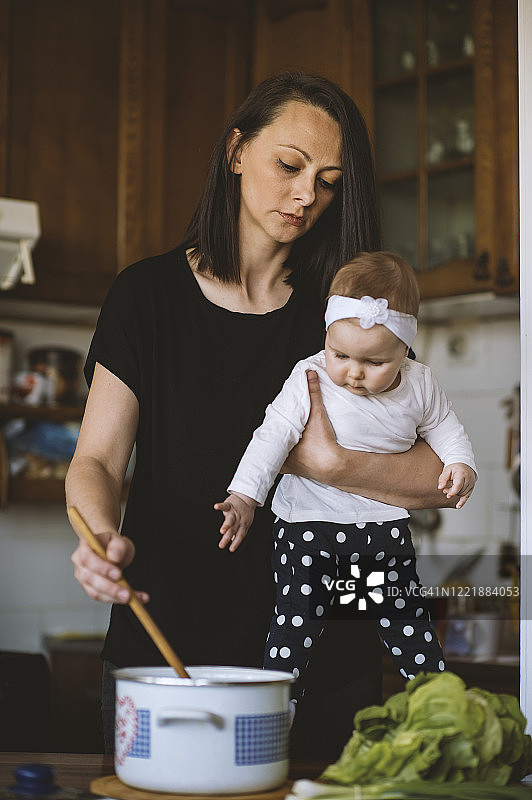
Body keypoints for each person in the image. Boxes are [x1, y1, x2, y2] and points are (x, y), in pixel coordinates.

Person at [66, 71, 460, 758]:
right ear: (236, 151)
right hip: (167, 657)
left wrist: (336, 464)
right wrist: (101, 537)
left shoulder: (346, 321)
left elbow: (437, 474)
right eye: (290, 165)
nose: (308, 195)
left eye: (329, 180)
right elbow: (97, 460)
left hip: (330, 668)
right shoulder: (147, 296)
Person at [215, 251, 477, 710]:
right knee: (295, 621)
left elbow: (447, 428)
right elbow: (272, 436)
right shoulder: (311, 374)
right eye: (341, 354)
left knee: (406, 619)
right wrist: (245, 497)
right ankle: (278, 705)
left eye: (374, 361)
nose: (353, 372)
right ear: (326, 338)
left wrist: (461, 464)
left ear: (405, 349)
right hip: (307, 524)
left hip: (381, 526)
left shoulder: (420, 383)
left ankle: (440, 704)